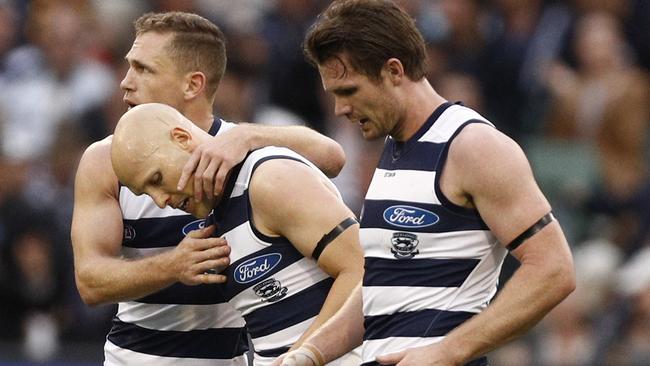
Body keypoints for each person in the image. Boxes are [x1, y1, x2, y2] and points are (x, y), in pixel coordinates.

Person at [276, 1, 576, 365]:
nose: (340, 109)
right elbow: (382, 288)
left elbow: (554, 269)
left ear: (394, 71)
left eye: (349, 91)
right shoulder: (394, 148)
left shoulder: (471, 145)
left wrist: (449, 350)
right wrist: (309, 354)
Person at [71, 11, 346, 365]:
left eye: (143, 69)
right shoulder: (105, 160)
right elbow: (90, 281)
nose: (125, 82)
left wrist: (248, 135)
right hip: (134, 356)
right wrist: (173, 265)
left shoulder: (240, 153)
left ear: (193, 84)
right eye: (129, 67)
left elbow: (332, 157)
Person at [110, 103, 364, 366]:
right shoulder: (217, 213)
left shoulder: (266, 179)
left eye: (156, 179)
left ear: (182, 138)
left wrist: (305, 356)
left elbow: (364, 269)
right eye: (146, 193)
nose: (160, 200)